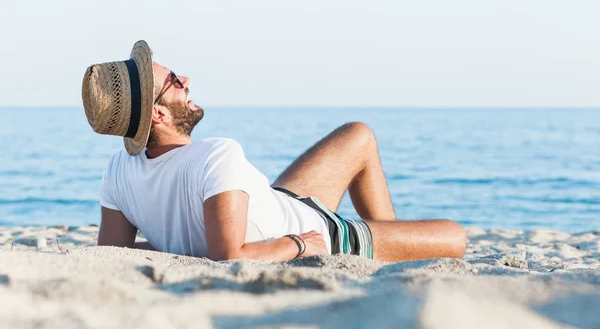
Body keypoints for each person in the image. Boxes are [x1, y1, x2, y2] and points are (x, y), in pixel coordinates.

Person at [82, 40, 466, 262]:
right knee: (455, 238)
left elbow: (116, 253)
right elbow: (230, 258)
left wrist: (174, 246)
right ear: (158, 113)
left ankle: (387, 238)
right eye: (175, 81)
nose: (187, 81)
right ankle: (381, 248)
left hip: (282, 203)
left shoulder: (119, 169)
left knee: (359, 135)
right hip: (322, 233)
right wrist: (299, 244)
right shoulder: (217, 154)